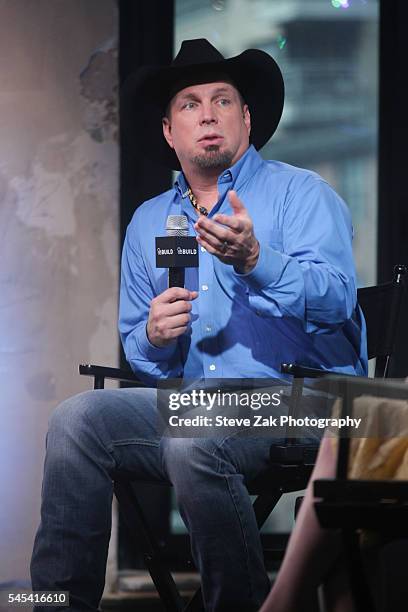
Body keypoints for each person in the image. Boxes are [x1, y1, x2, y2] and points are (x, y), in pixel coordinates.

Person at [31, 39, 367, 611]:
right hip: (201, 402)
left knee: (193, 435)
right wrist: (155, 337)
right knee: (77, 419)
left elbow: (337, 302)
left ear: (247, 119)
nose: (207, 113)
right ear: (169, 131)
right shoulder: (150, 222)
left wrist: (258, 260)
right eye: (189, 104)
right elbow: (145, 352)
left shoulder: (300, 194)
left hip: (307, 401)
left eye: (222, 100)